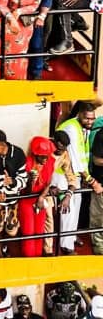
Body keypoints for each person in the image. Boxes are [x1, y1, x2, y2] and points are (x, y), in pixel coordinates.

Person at [56, 102, 102, 253]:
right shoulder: (72, 128)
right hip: (63, 175)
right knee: (69, 209)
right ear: (80, 115)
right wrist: (91, 181)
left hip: (76, 175)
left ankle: (71, 236)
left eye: (92, 118)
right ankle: (66, 245)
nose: (91, 121)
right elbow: (76, 159)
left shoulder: (82, 128)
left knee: (77, 205)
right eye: (87, 118)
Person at [0, 0, 44, 80]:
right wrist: (10, 17)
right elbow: (1, 4)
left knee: (21, 53)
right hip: (8, 23)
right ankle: (1, 77)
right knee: (5, 52)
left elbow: (35, 5)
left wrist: (19, 11)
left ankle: (19, 79)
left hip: (25, 24)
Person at [0, 130, 26, 251]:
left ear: (3, 145)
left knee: (11, 228)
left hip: (12, 198)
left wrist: (13, 182)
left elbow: (24, 178)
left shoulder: (18, 154)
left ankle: (4, 246)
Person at [18, 136, 55, 257]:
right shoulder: (27, 164)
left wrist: (41, 197)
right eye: (42, 156)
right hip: (26, 201)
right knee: (28, 232)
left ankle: (38, 257)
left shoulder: (50, 161)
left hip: (40, 200)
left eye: (47, 156)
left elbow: (49, 182)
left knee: (39, 231)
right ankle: (29, 259)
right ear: (35, 154)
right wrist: (30, 181)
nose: (45, 159)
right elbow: (25, 192)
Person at [44, 129, 78, 256]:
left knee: (69, 209)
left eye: (64, 149)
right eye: (59, 148)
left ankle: (66, 245)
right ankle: (48, 250)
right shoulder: (45, 150)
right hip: (43, 187)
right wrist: (49, 186)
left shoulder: (64, 153)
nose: (61, 151)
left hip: (58, 185)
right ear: (53, 142)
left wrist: (68, 196)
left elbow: (71, 177)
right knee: (48, 217)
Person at [89, 113, 103, 254]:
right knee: (98, 217)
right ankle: (98, 246)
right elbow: (96, 160)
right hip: (101, 183)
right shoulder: (101, 135)